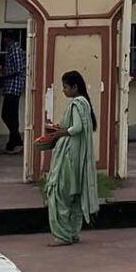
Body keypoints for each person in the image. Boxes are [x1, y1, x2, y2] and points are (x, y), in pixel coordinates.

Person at [43, 70, 99, 246]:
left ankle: (63, 235)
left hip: (69, 155)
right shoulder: (84, 104)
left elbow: (76, 128)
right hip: (77, 156)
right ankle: (72, 233)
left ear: (74, 87)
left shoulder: (77, 103)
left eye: (65, 87)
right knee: (73, 195)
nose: (63, 90)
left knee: (59, 193)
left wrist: (59, 133)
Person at [0, 31, 26, 154]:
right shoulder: (12, 50)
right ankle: (14, 140)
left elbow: (19, 69)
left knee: (8, 115)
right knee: (9, 115)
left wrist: (3, 74)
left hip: (13, 86)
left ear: (7, 39)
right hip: (11, 86)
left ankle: (15, 140)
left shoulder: (15, 50)